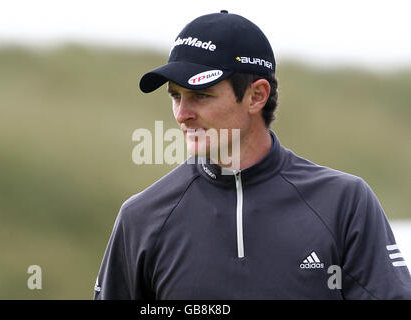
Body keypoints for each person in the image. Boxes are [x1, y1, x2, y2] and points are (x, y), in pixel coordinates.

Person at [94, 10, 411, 299]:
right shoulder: (141, 218)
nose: (182, 114)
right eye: (176, 96)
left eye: (200, 95)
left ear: (256, 95)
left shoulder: (344, 203)